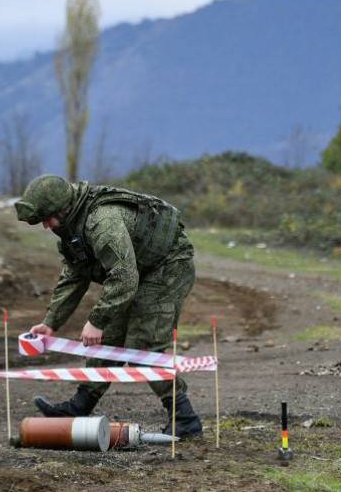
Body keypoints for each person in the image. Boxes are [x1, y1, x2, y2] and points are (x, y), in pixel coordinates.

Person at [14, 174, 202, 438]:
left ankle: (185, 418)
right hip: (139, 269)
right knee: (108, 341)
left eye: (48, 219)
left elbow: (124, 276)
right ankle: (80, 406)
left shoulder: (103, 222)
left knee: (142, 345)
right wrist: (50, 322)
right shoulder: (71, 229)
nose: (46, 226)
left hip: (167, 267)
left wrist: (97, 319)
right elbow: (74, 276)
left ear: (64, 209)